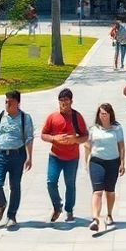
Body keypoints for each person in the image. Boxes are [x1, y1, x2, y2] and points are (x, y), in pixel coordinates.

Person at [0, 89, 34, 228]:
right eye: (5, 101)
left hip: (17, 155)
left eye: (10, 102)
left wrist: (29, 157)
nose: (7, 104)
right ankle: (2, 204)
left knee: (15, 186)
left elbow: (29, 138)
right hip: (0, 155)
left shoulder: (25, 118)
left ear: (17, 103)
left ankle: (12, 215)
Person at [40, 87, 87, 223]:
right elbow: (43, 135)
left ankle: (69, 210)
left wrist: (76, 140)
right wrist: (54, 138)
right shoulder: (52, 117)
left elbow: (85, 136)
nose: (63, 104)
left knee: (70, 184)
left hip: (72, 157)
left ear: (71, 101)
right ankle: (57, 206)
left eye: (66, 100)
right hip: (55, 156)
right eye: (61, 101)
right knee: (51, 182)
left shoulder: (77, 117)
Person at [84, 103, 126, 232]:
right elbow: (87, 146)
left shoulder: (117, 128)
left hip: (113, 162)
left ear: (110, 115)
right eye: (101, 114)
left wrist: (122, 163)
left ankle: (109, 214)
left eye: (105, 114)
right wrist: (86, 162)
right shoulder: (93, 129)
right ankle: (95, 218)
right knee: (97, 191)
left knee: (110, 191)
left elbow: (121, 146)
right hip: (97, 161)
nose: (103, 116)